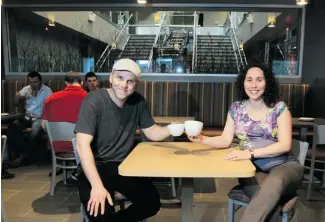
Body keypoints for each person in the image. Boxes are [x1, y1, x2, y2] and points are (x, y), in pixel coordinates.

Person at [188, 64, 303, 222]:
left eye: (259, 80)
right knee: (268, 200)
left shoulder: (280, 108)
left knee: (274, 183)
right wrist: (203, 139)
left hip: (284, 166)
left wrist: (249, 153)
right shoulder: (236, 109)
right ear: (243, 83)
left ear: (267, 82)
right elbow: (225, 139)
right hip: (252, 169)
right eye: (249, 80)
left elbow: (284, 145)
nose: (253, 85)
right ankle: (284, 200)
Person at [75, 58, 172, 222]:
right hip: (94, 166)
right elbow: (82, 145)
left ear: (136, 84)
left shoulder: (138, 102)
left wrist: (172, 128)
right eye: (120, 78)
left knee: (151, 203)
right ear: (111, 77)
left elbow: (152, 132)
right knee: (101, 213)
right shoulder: (94, 100)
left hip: (123, 166)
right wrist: (97, 186)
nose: (124, 85)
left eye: (130, 81)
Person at [7, 71, 52, 167]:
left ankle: (22, 158)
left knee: (35, 131)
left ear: (40, 81)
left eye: (35, 82)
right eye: (30, 82)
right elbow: (15, 104)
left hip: (40, 117)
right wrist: (18, 96)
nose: (33, 84)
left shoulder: (47, 91)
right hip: (27, 117)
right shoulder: (26, 89)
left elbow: (51, 109)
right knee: (12, 128)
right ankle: (25, 154)